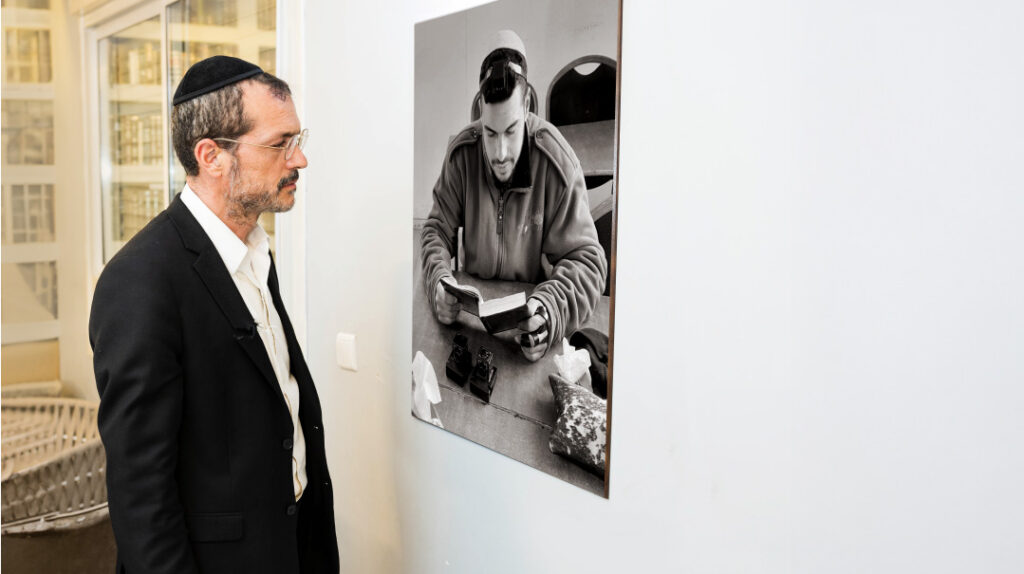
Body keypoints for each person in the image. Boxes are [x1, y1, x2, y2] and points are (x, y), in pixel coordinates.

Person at [89, 56, 338, 574]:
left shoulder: (255, 253)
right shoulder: (139, 281)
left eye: (297, 139)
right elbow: (142, 499)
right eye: (280, 143)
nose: (299, 159)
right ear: (211, 156)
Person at [421, 30, 607, 361]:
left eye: (511, 130)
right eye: (490, 133)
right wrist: (438, 280)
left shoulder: (558, 164)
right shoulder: (462, 155)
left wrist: (549, 310)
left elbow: (588, 263)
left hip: (527, 328)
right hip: (470, 326)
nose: (501, 153)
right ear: (481, 111)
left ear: (528, 106)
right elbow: (435, 229)